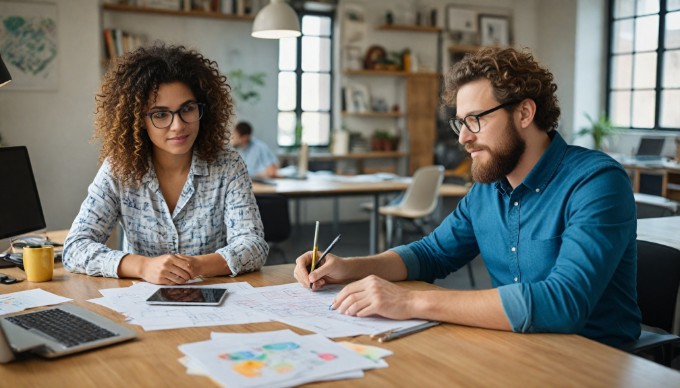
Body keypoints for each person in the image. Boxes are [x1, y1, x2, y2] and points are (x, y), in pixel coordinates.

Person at [294, 47, 641, 347]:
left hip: (592, 359)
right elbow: (430, 254)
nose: (463, 139)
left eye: (475, 120)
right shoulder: (488, 189)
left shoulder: (596, 182)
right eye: (460, 123)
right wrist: (348, 268)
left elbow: (563, 303)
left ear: (524, 113)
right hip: (513, 346)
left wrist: (412, 301)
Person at [63, 44, 268, 285]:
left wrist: (196, 265)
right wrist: (143, 266)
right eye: (160, 114)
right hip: (138, 307)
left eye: (187, 109)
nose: (178, 125)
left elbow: (253, 246)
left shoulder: (228, 166)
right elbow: (75, 247)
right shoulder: (119, 169)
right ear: (139, 120)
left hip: (214, 300)